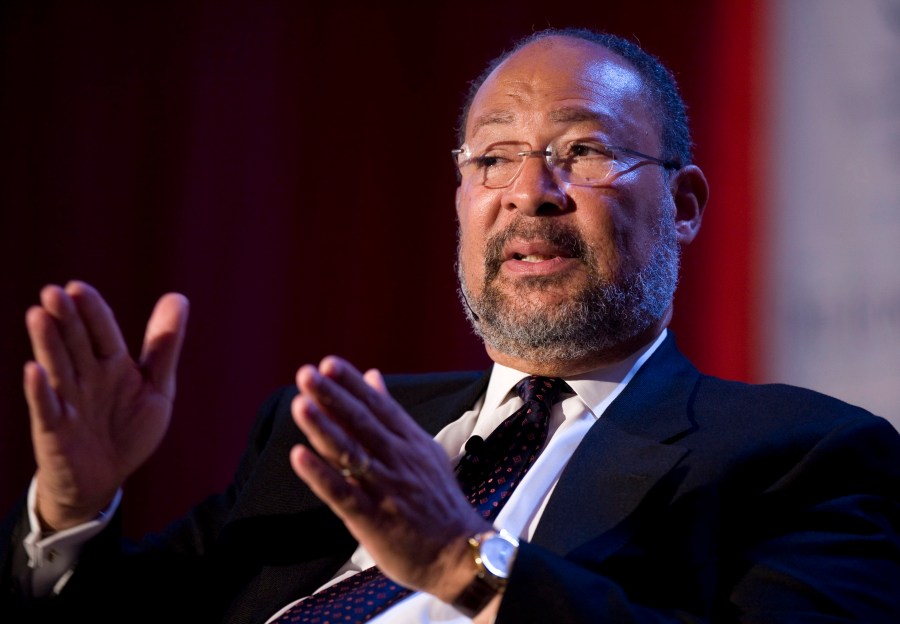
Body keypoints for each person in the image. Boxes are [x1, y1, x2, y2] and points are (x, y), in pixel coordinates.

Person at [2, 26, 899, 624]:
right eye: (495, 156)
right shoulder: (332, 433)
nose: (529, 193)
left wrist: (467, 560)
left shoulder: (805, 456)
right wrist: (74, 511)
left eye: (581, 151)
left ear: (687, 202)